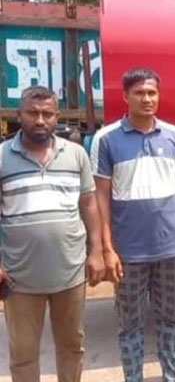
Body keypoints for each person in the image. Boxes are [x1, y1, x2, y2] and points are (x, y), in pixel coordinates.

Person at [91, 68, 175, 382]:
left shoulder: (174, 136)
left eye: (152, 93)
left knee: (170, 320)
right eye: (139, 93)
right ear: (126, 96)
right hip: (128, 253)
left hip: (170, 249)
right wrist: (107, 249)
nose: (147, 99)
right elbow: (101, 198)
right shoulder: (106, 139)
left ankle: (171, 376)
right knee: (130, 326)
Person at [0, 86, 105, 382]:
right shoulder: (2, 157)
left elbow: (89, 204)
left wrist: (97, 251)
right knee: (23, 355)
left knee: (72, 347)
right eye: (32, 113)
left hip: (70, 272)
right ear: (19, 115)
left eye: (47, 114)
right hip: (19, 277)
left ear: (57, 116)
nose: (40, 120)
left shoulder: (76, 154)